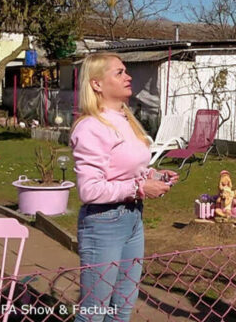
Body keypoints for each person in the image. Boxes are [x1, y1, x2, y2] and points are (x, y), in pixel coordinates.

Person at [70, 52, 178, 321]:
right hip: (104, 223)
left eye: (125, 71)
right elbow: (89, 190)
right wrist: (140, 188)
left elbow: (126, 169)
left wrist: (153, 174)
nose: (128, 76)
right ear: (96, 84)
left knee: (122, 309)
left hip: (132, 219)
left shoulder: (125, 119)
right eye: (119, 72)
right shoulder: (91, 126)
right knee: (94, 312)